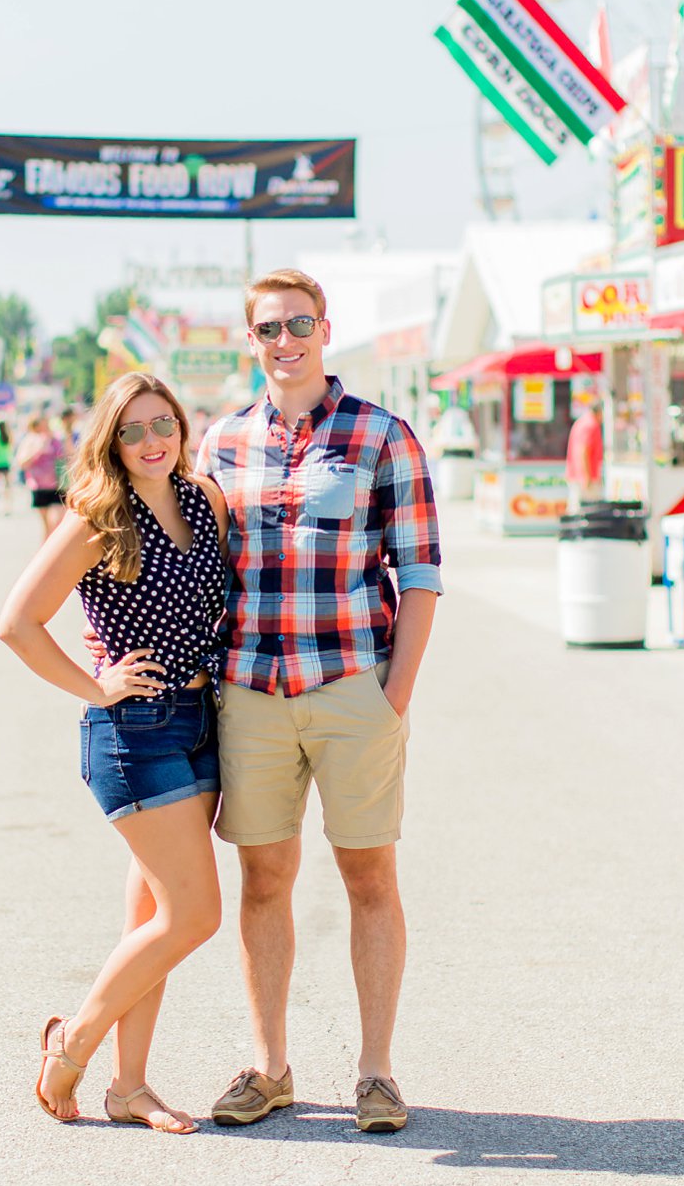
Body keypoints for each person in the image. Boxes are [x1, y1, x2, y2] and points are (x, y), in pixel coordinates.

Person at [90, 268, 440, 1134]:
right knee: (264, 879)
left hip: (353, 685)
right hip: (247, 691)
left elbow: (422, 573)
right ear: (251, 341)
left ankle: (377, 1071)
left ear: (325, 328)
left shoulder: (383, 437)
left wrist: (394, 693)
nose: (284, 341)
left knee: (369, 876)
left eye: (298, 324)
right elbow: (165, 554)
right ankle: (270, 1064)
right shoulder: (220, 444)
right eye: (267, 329)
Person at [0, 372, 231, 1132]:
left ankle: (130, 1087)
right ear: (111, 441)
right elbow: (18, 622)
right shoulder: (99, 518)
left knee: (153, 918)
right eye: (131, 430)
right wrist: (95, 688)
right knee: (194, 914)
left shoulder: (206, 501)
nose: (150, 440)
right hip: (135, 731)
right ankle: (72, 1045)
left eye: (162, 423)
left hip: (201, 718)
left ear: (181, 426)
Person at [19, 415, 65, 534]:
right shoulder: (30, 440)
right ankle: (47, 548)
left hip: (57, 485)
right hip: (39, 486)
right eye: (42, 424)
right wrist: (38, 449)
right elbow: (22, 463)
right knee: (47, 526)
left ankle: (54, 548)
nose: (45, 427)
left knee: (57, 521)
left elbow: (65, 457)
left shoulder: (55, 440)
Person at [565, 396, 604, 509]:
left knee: (576, 508)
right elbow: (582, 451)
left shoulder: (582, 422)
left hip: (578, 476)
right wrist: (586, 477)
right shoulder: (590, 425)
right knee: (588, 511)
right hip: (586, 478)